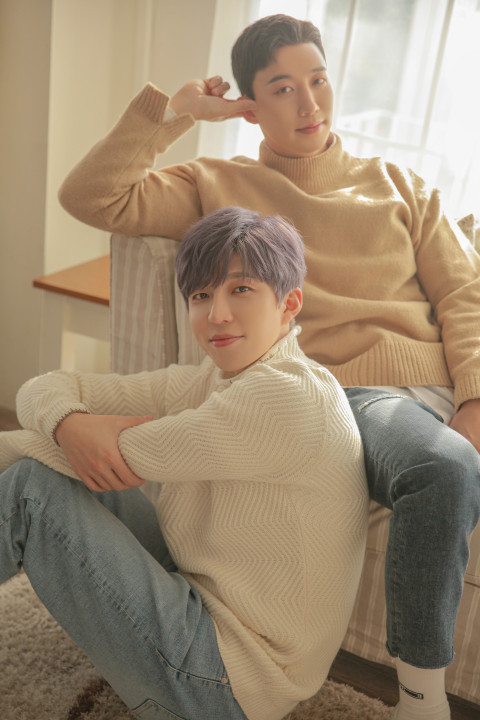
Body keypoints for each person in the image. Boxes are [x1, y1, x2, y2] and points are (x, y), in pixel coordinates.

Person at [57, 13, 480, 720]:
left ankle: (420, 699)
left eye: (318, 80)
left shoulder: (401, 185)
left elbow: (464, 294)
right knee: (445, 467)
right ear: (249, 106)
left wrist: (474, 398)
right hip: (327, 395)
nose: (309, 102)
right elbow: (91, 196)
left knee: (448, 459)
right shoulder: (220, 183)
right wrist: (175, 113)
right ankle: (420, 702)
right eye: (283, 88)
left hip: (419, 389)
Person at [0, 207, 368, 720]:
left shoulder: (286, 397)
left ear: (289, 304)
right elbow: (44, 387)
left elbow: (104, 453)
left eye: (241, 289)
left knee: (30, 488)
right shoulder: (210, 378)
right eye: (201, 295)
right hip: (201, 602)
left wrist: (54, 434)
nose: (217, 314)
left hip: (228, 684)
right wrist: (68, 422)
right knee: (48, 466)